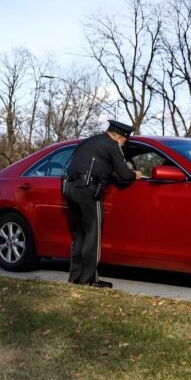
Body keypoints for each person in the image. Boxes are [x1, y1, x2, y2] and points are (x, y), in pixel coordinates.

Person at [63, 120, 142, 288]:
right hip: (88, 190)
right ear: (119, 137)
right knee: (93, 234)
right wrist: (137, 174)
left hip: (69, 188)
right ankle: (90, 279)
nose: (123, 144)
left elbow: (97, 165)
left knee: (79, 235)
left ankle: (75, 278)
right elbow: (125, 174)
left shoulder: (91, 141)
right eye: (124, 141)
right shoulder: (112, 145)